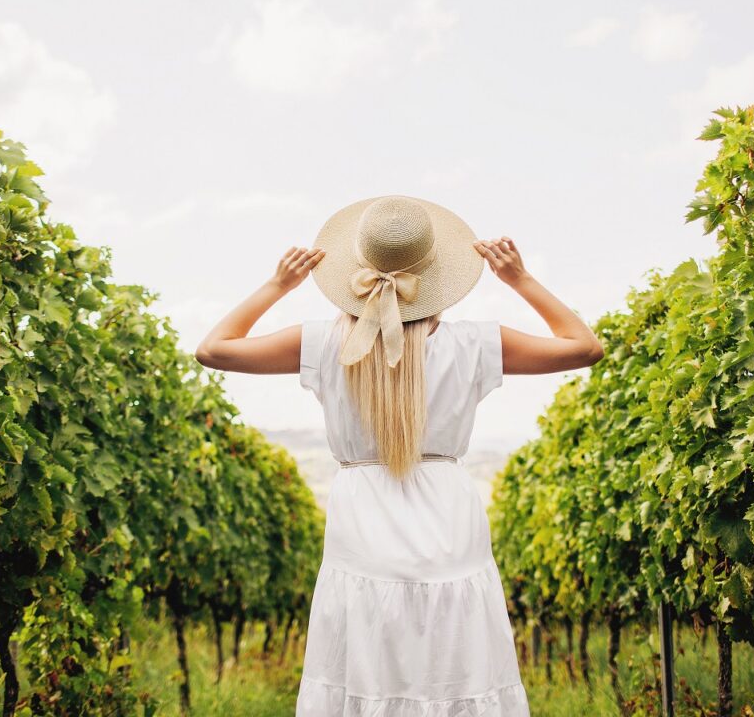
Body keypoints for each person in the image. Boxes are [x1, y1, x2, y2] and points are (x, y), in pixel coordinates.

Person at [195, 195, 604, 716]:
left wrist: (279, 284)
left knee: (365, 661)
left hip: (362, 525)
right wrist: (519, 279)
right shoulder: (479, 343)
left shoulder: (322, 343)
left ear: (357, 272)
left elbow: (214, 349)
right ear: (436, 275)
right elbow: (584, 346)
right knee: (455, 664)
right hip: (448, 523)